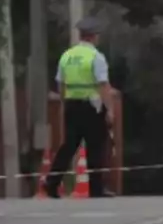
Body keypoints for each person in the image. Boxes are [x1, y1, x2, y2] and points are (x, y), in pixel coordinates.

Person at [44, 17, 115, 199]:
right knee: (95, 147)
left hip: (71, 105)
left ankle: (51, 183)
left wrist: (64, 102)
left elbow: (60, 83)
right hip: (92, 106)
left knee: (68, 146)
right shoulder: (96, 57)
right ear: (93, 36)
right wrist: (110, 109)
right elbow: (103, 85)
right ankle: (96, 189)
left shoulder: (67, 55)